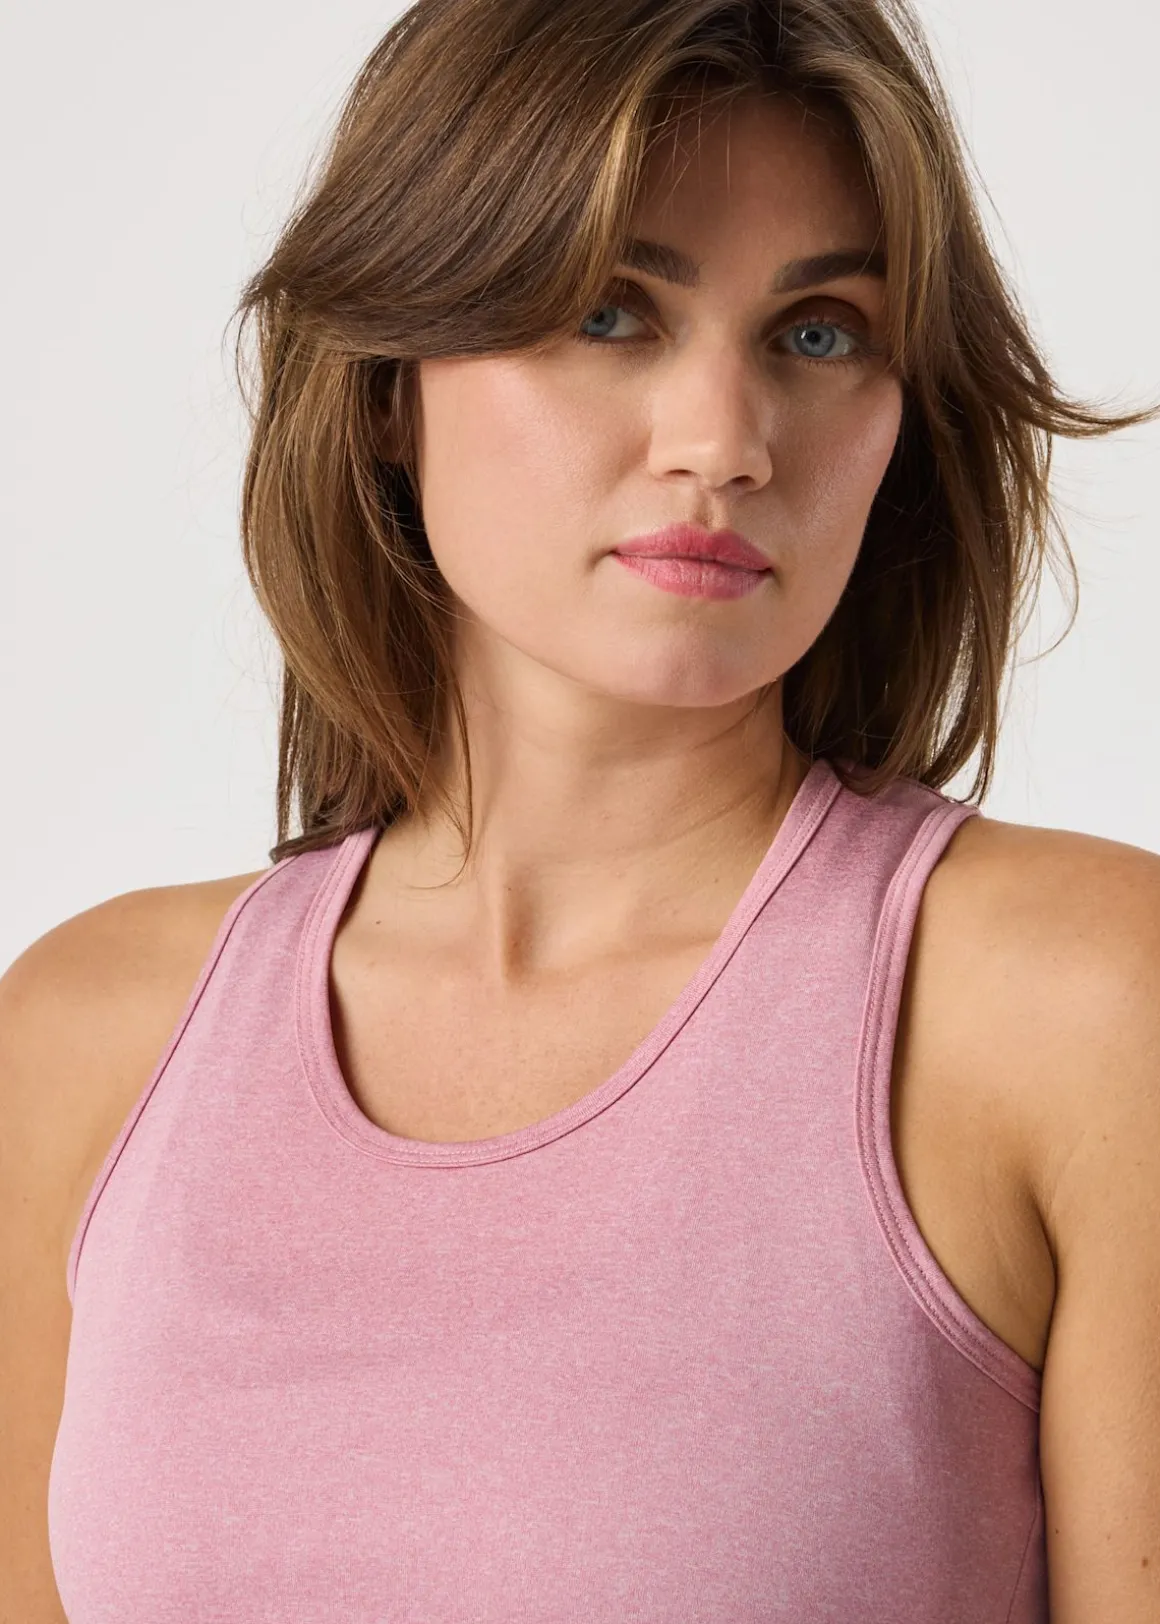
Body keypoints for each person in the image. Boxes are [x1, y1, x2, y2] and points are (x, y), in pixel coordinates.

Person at [3, 0, 1158, 1619]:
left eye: (820, 333)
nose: (725, 444)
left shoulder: (1080, 1007)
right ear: (389, 380)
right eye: (611, 313)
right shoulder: (89, 1045)